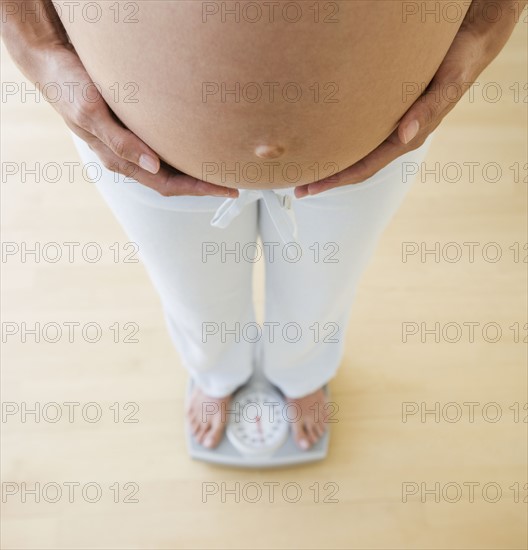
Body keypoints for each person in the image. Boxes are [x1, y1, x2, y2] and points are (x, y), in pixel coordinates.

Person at [2, 0, 524, 451]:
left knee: (325, 286)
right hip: (140, 140)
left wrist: (488, 23)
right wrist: (30, 38)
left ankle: (302, 369)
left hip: (378, 135)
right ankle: (216, 370)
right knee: (192, 293)